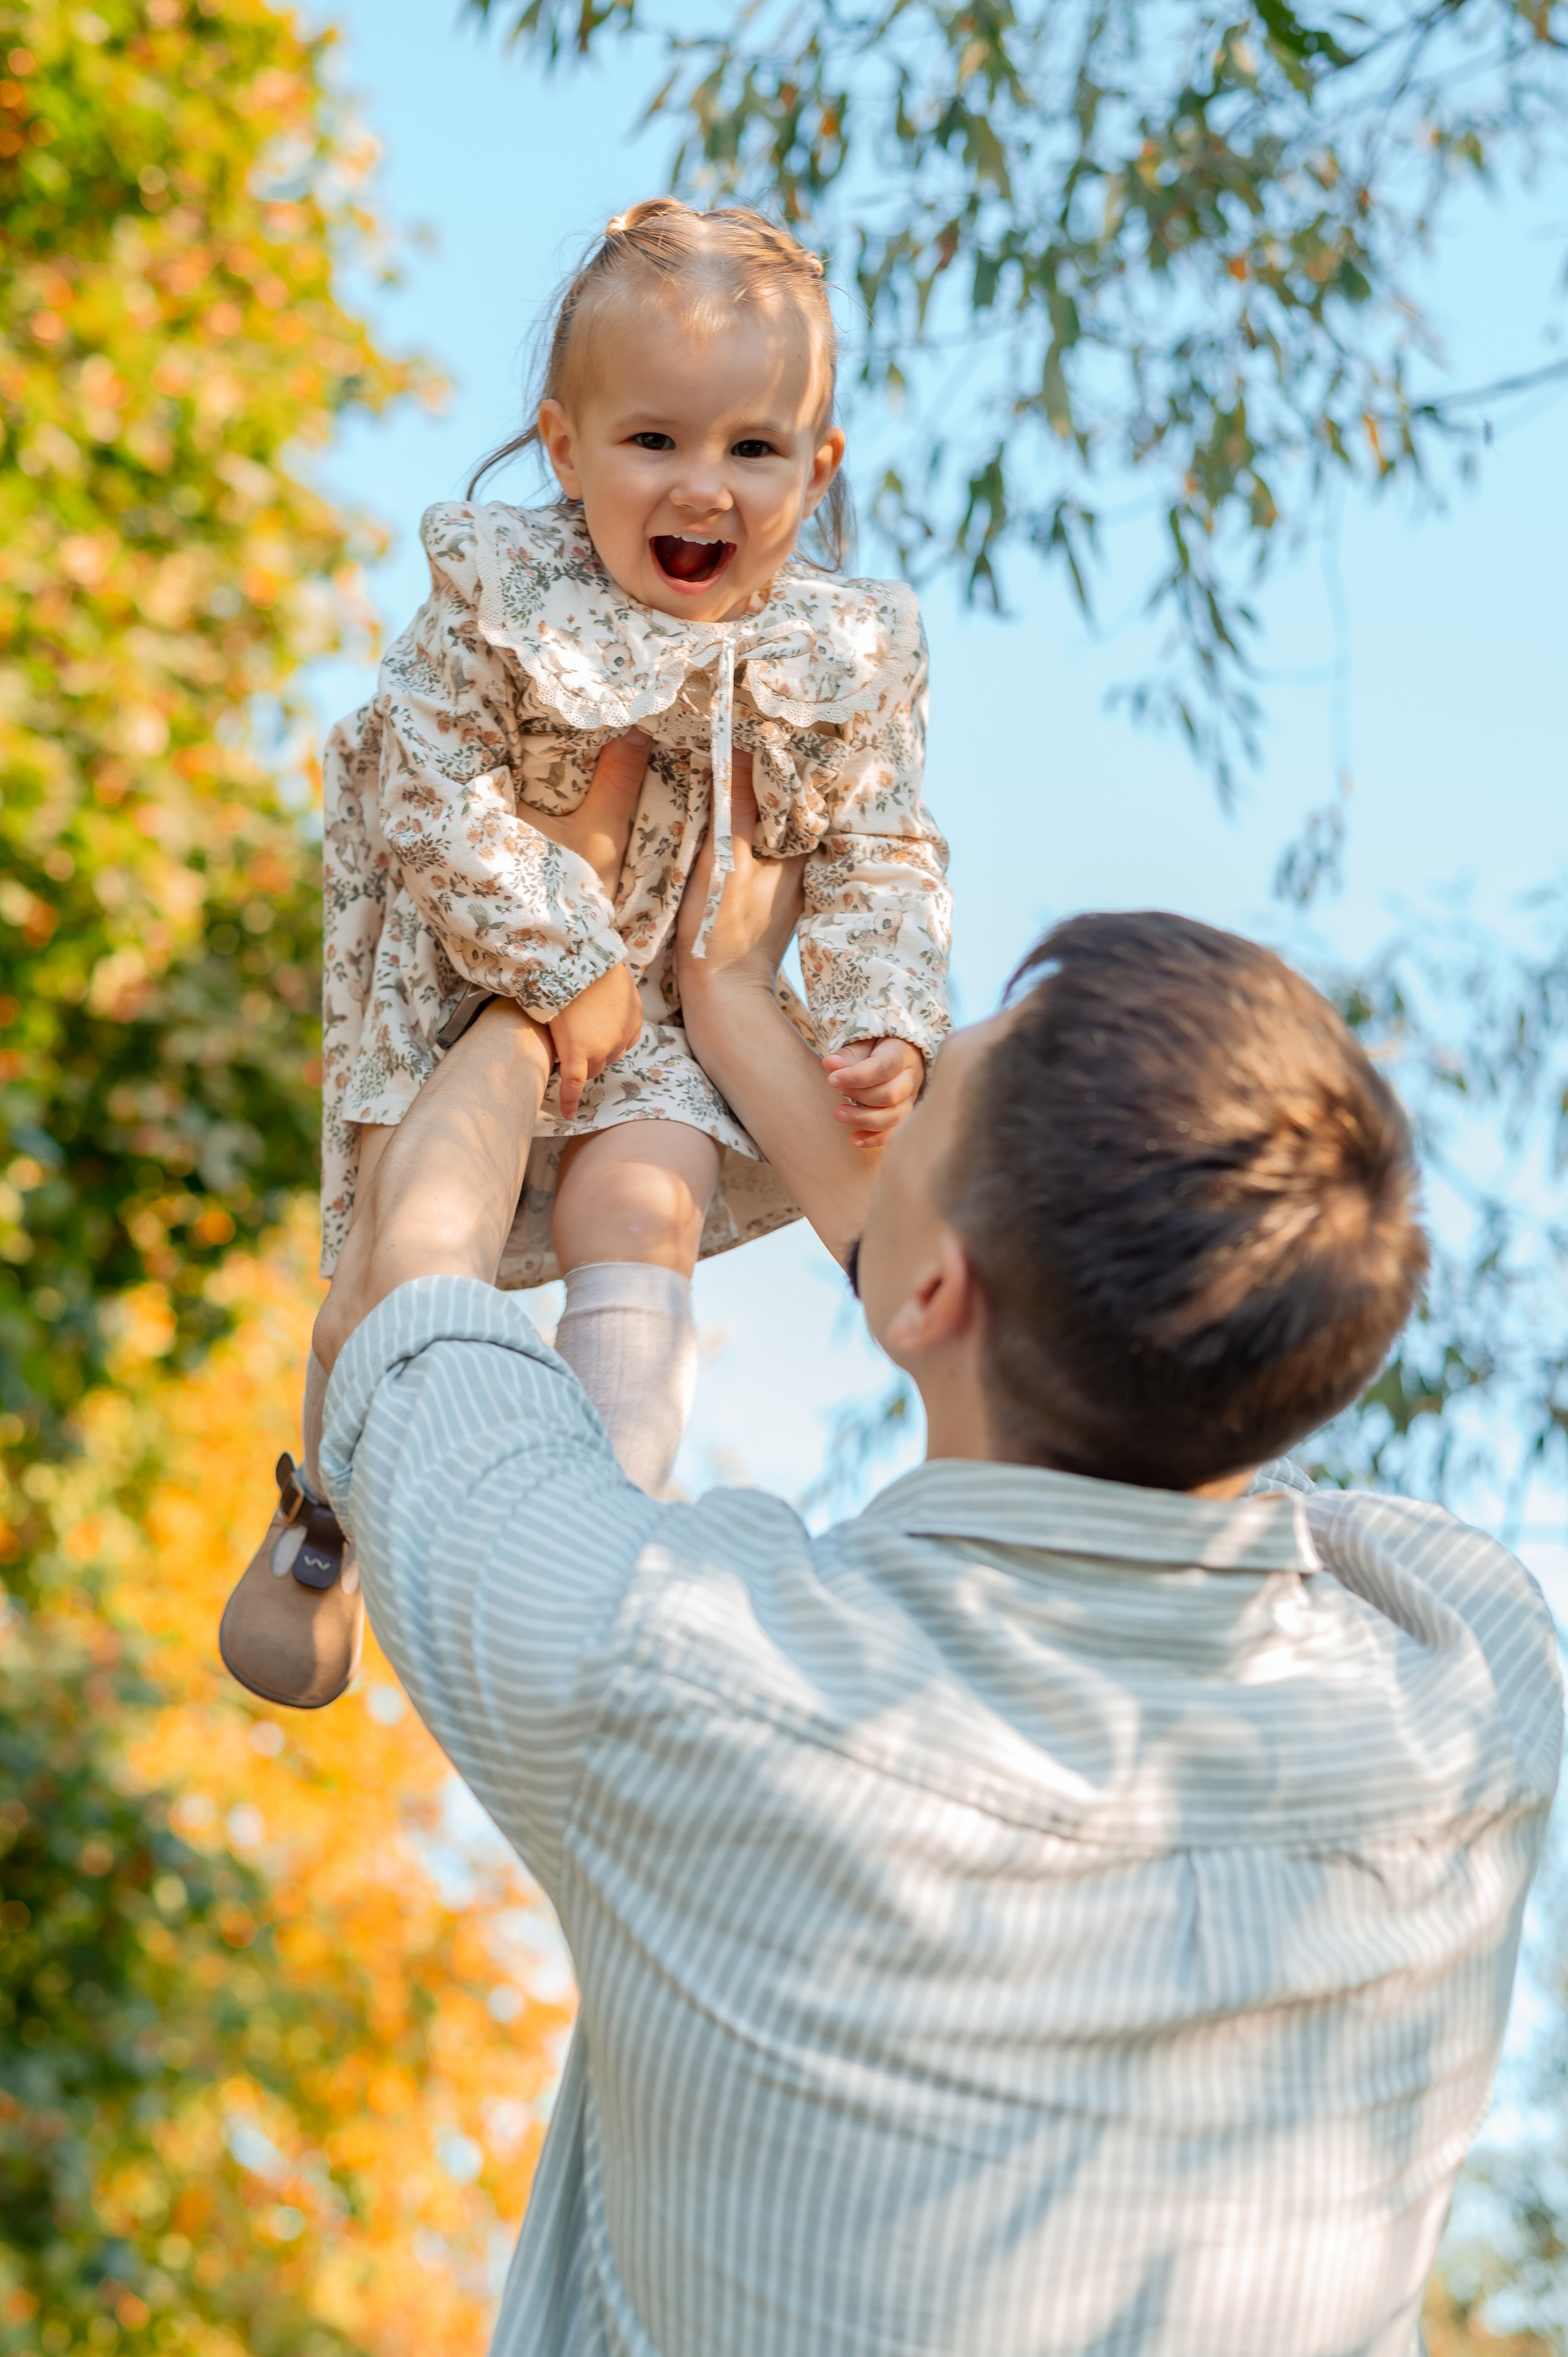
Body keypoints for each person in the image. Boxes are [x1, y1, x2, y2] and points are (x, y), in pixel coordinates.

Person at [307, 786, 1562, 2357]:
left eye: (926, 1113)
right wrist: (732, 1009)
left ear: (934, 1287)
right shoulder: (1471, 1676)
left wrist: (543, 967)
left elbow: (412, 1284)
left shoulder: (677, 1680)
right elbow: (1143, 1385)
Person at [219, 198, 951, 1711]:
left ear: (817, 470)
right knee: (414, 1259)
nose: (705, 484)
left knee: (645, 1203)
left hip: (675, 1021)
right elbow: (422, 786)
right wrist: (560, 958)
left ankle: (598, 1542)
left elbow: (881, 848)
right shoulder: (502, 587)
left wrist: (883, 1017)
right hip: (472, 975)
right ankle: (327, 1518)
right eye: (653, 440)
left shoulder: (848, 646)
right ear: (565, 449)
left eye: (755, 448)